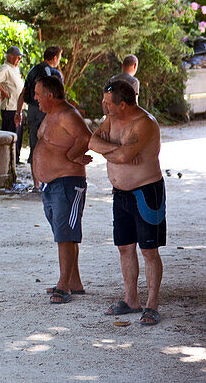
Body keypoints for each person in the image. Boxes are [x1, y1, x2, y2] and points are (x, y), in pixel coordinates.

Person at [89, 79, 165, 326]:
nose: (104, 106)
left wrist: (114, 151)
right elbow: (92, 142)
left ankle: (152, 304)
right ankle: (131, 299)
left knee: (149, 251)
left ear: (123, 104)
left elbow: (123, 154)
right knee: (125, 247)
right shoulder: (112, 119)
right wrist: (116, 150)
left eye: (108, 103)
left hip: (146, 193)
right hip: (119, 193)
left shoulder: (144, 123)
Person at [32, 75, 91, 303]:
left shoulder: (68, 114)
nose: (35, 98)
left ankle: (64, 285)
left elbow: (86, 137)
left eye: (38, 94)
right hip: (51, 185)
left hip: (68, 182)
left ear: (50, 95)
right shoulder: (50, 115)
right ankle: (73, 281)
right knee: (62, 233)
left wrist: (72, 155)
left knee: (65, 234)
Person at [18, 46, 63, 186]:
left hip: (32, 109)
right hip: (47, 111)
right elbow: (58, 95)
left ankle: (36, 182)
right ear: (54, 57)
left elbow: (23, 91)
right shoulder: (53, 73)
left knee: (34, 144)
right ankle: (49, 180)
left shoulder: (33, 70)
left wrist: (18, 111)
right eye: (60, 57)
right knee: (51, 143)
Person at [0, 46, 25, 161]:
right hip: (10, 108)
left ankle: (16, 159)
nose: (19, 60)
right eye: (17, 58)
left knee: (18, 135)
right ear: (9, 57)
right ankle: (9, 160)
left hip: (17, 107)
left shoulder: (15, 69)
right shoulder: (5, 68)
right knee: (11, 135)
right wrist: (3, 91)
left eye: (20, 58)